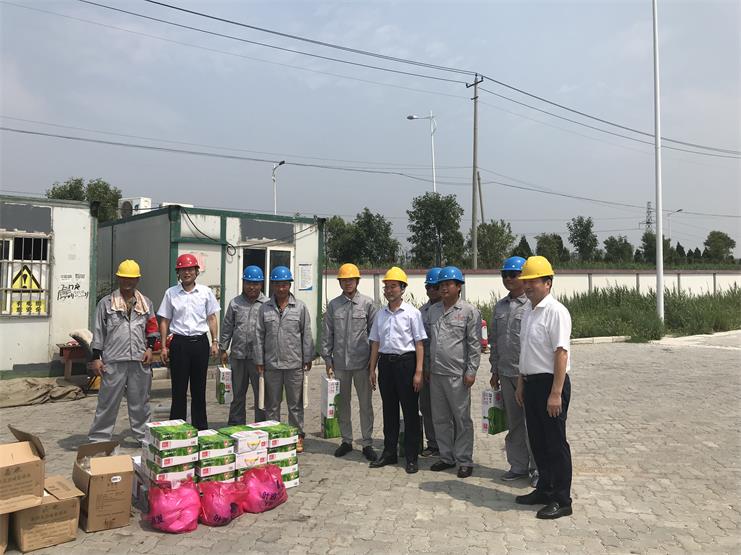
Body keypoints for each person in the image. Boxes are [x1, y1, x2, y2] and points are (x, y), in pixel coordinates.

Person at [514, 256, 573, 519]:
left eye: (533, 281)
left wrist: (556, 392)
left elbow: (561, 353)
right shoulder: (528, 311)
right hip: (531, 383)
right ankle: (544, 489)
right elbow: (525, 350)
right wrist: (521, 382)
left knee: (555, 443)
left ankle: (562, 499)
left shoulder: (556, 312)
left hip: (551, 384)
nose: (527, 286)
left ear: (548, 283)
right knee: (537, 441)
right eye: (525, 281)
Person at [88, 260, 159, 443]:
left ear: (137, 280)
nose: (128, 281)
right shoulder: (106, 304)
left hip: (139, 360)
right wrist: (96, 357)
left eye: (131, 278)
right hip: (113, 361)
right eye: (124, 278)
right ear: (118, 278)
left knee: (140, 403)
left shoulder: (146, 303)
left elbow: (152, 328)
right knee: (107, 403)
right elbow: (98, 332)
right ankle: (99, 440)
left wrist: (150, 349)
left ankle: (143, 438)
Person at [368, 267, 426, 474]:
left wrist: (418, 372)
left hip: (406, 364)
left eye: (393, 286)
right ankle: (389, 452)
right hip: (386, 365)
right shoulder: (380, 314)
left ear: (402, 289)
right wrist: (372, 369)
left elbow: (419, 343)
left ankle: (411, 456)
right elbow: (375, 343)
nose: (389, 290)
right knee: (389, 410)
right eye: (386, 286)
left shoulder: (412, 313)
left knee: (410, 412)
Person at [427, 266, 481, 478]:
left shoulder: (469, 311)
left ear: (459, 286)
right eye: (441, 285)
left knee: (461, 419)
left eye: (448, 284)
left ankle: (464, 460)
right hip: (436, 374)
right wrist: (427, 367)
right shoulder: (433, 311)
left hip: (458, 375)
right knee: (440, 418)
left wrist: (471, 371)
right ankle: (446, 456)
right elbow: (428, 341)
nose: (444, 288)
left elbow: (474, 344)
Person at [321, 263, 378, 461]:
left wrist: (373, 364)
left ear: (357, 281)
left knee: (365, 405)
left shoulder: (368, 304)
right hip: (340, 364)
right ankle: (346, 440)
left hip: (362, 364)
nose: (348, 283)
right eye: (344, 280)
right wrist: (327, 359)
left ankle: (367, 442)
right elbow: (327, 333)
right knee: (343, 405)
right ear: (339, 282)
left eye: (351, 280)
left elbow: (375, 336)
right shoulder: (334, 305)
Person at [255, 266, 314, 453]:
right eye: (278, 284)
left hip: (294, 365)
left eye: (285, 284)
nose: (281, 288)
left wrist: (307, 357)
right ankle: (274, 437)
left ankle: (297, 436)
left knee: (295, 404)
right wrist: (259, 359)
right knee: (272, 405)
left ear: (290, 285)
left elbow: (306, 334)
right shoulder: (264, 308)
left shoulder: (300, 307)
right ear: (272, 285)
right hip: (271, 365)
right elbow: (259, 335)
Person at [490, 256, 538, 486]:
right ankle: (518, 465)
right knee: (514, 423)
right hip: (506, 373)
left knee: (533, 425)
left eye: (513, 274)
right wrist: (494, 370)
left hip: (528, 375)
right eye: (505, 274)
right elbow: (494, 341)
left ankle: (537, 469)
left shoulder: (532, 306)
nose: (508, 278)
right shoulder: (500, 306)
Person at [158, 253, 220, 431]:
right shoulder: (171, 293)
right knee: (178, 390)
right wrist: (163, 347)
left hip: (200, 343)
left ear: (196, 272)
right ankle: (177, 430)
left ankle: (200, 428)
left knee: (199, 390)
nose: (187, 273)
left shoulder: (205, 293)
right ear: (178, 273)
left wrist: (214, 342)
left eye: (190, 269)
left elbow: (212, 318)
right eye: (183, 270)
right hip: (179, 344)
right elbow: (165, 321)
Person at [219, 265, 269, 425]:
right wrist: (223, 348)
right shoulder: (235, 303)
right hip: (238, 356)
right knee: (237, 394)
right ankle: (236, 424)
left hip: (259, 359)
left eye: (256, 283)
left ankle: (261, 425)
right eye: (248, 283)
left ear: (261, 284)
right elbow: (227, 326)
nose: (252, 287)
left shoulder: (267, 304)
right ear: (243, 283)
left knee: (261, 394)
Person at [419, 267, 442, 457]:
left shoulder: (449, 310)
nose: (432, 290)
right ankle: (433, 443)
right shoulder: (421, 312)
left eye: (435, 287)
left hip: (446, 368)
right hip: (426, 368)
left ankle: (449, 445)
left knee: (448, 410)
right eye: (429, 287)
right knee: (426, 407)